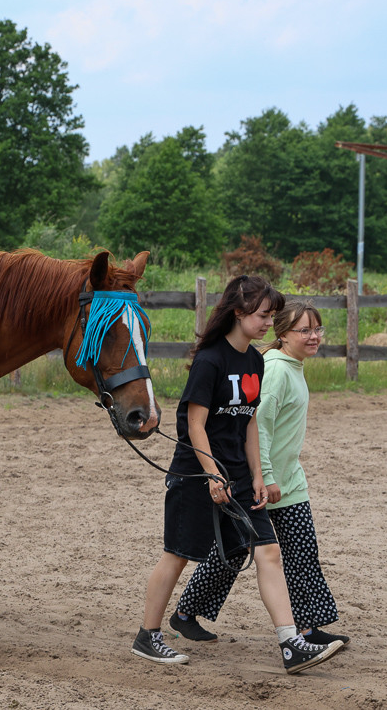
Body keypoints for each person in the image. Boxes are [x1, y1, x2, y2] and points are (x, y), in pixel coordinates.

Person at [131, 276, 344, 674]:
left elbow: (249, 423)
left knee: (268, 551)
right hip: (197, 472)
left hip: (241, 475)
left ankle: (290, 643)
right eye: (263, 315)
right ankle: (148, 635)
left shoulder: (255, 361)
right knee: (178, 555)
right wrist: (212, 476)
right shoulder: (211, 360)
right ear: (239, 312)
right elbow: (195, 425)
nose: (268, 323)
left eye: (271, 315)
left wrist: (258, 474)